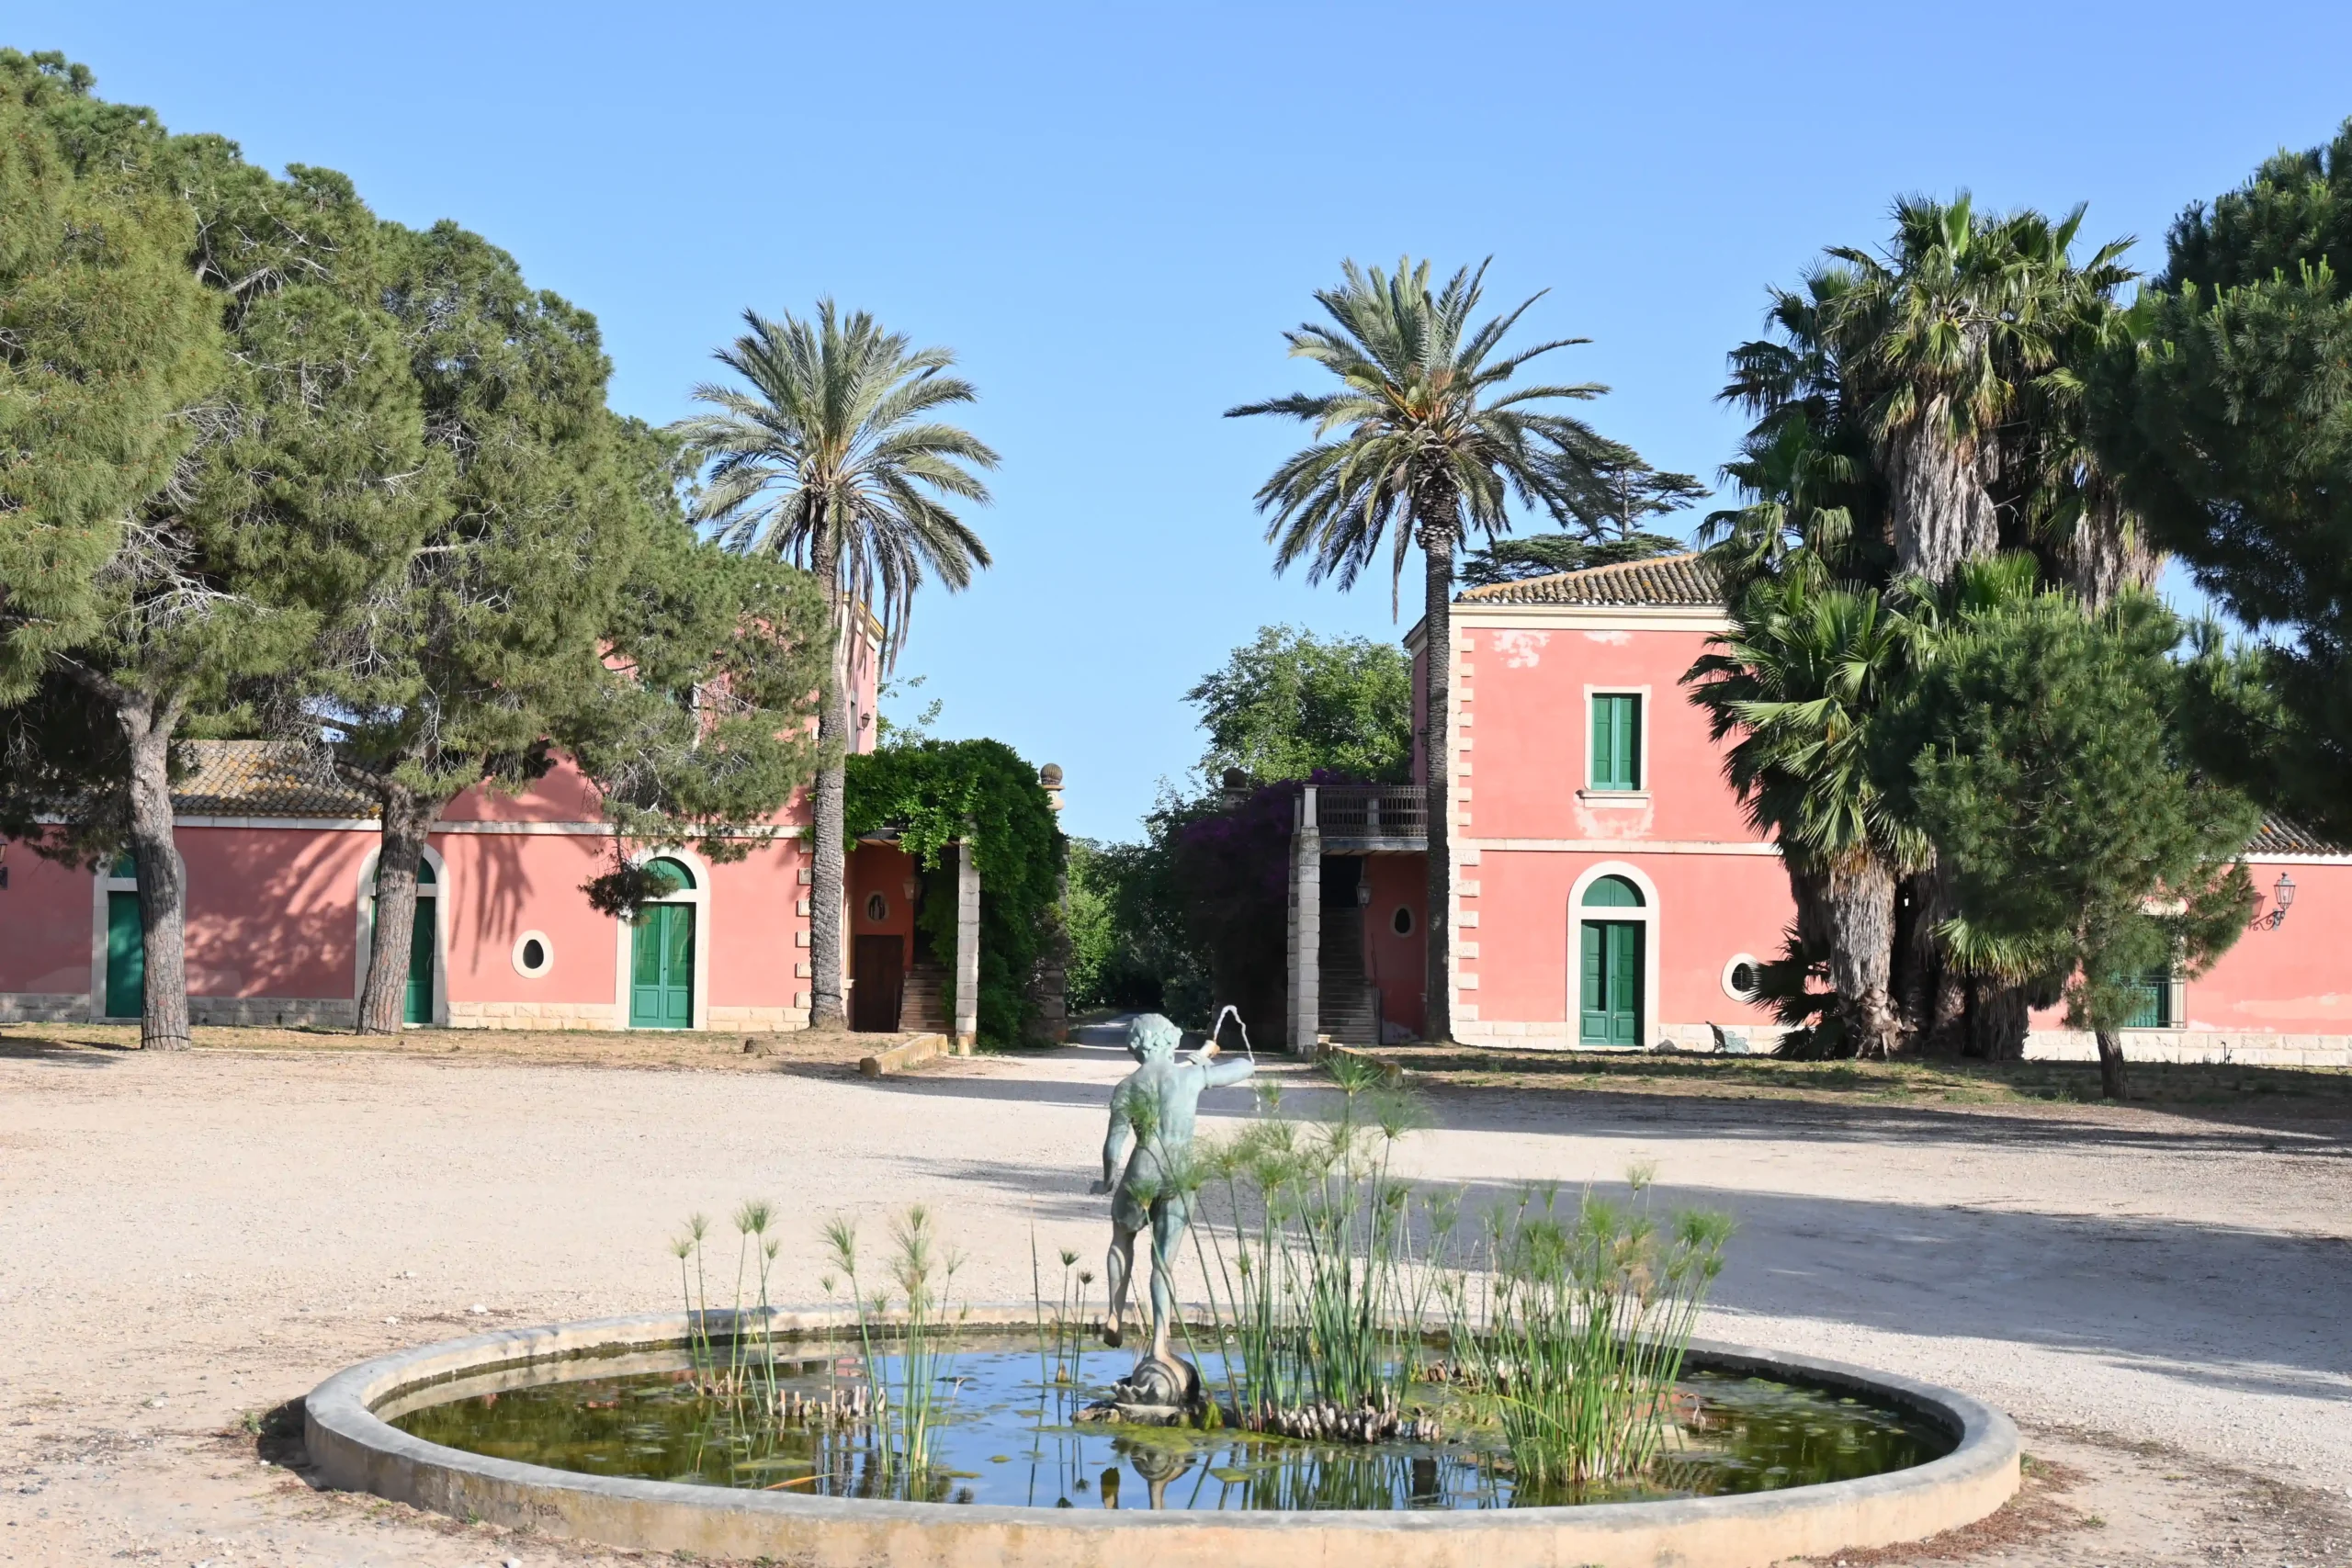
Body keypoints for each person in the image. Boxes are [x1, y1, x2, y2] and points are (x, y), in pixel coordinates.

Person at [1089, 1012, 1253, 1380]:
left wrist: (1106, 1181)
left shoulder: (1127, 1086)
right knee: (1163, 1263)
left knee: (1121, 1238)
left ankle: (1116, 1310)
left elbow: (1114, 1145)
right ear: (1170, 1042)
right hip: (1179, 1173)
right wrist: (1200, 1060)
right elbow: (1245, 1067)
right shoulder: (1189, 1076)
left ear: (1137, 1046)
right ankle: (1159, 1344)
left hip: (1142, 1167)